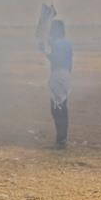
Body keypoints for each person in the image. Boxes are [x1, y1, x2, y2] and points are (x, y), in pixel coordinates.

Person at [39, 19, 73, 149]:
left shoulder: (57, 44)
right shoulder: (66, 43)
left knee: (57, 109)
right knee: (62, 108)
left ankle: (61, 140)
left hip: (58, 75)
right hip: (66, 75)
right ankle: (62, 139)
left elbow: (55, 59)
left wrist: (45, 50)